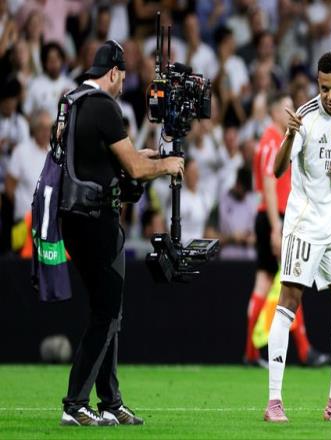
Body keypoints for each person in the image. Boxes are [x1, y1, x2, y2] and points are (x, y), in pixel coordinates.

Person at [59, 40, 184, 427]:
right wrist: (166, 165)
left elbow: (98, 159)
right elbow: (135, 169)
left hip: (74, 217)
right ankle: (75, 404)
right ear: (113, 73)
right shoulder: (104, 106)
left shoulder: (73, 102)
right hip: (96, 219)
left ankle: (110, 401)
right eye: (123, 77)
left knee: (107, 310)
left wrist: (142, 157)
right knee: (107, 311)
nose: (122, 85)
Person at [264, 52, 331, 423]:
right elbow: (277, 170)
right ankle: (274, 402)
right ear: (318, 85)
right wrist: (290, 134)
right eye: (324, 88)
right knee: (288, 303)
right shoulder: (305, 117)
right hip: (304, 224)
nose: (330, 95)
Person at [247, 92, 330, 367]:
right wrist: (276, 226)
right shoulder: (273, 141)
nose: (294, 112)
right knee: (292, 281)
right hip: (276, 218)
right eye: (288, 108)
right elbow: (270, 184)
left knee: (264, 283)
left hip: (268, 216)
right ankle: (305, 351)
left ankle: (250, 352)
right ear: (275, 112)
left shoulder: (268, 141)